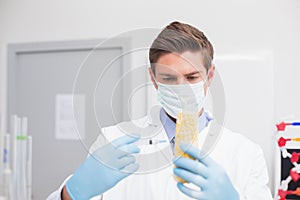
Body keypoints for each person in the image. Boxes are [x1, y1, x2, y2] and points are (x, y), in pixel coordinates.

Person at [47, 21, 273, 200]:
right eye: (168, 78)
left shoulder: (245, 153)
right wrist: (70, 194)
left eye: (192, 77)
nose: (181, 88)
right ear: (153, 79)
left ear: (210, 75)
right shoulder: (113, 140)